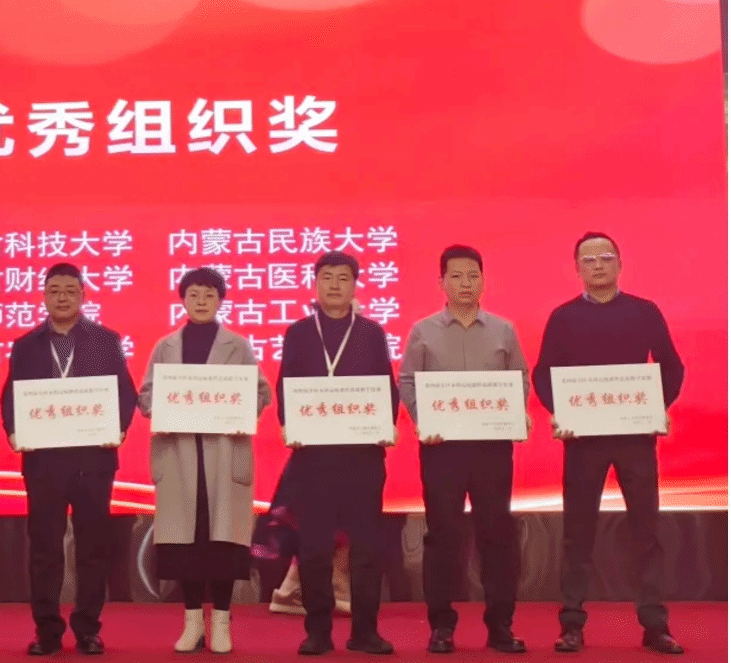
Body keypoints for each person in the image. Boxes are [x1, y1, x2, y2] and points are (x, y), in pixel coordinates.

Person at [532, 233, 685, 655]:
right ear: (577, 268)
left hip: (635, 438)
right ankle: (572, 624)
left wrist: (657, 408)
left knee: (646, 532)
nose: (597, 265)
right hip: (583, 440)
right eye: (589, 259)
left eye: (605, 257)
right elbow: (544, 373)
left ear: (619, 263)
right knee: (577, 533)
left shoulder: (644, 311)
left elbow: (672, 366)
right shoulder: (563, 317)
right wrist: (560, 413)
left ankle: (655, 624)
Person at [1, 263, 138, 656]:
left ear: (83, 295)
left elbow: (124, 393)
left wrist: (119, 428)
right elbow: (11, 396)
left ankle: (88, 628)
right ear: (44, 296)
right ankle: (46, 630)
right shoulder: (25, 345)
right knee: (44, 548)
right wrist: (14, 431)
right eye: (54, 290)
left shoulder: (105, 340)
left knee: (93, 548)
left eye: (70, 290)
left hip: (93, 461)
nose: (62, 297)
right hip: (44, 462)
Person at [400, 245, 528, 655]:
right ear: (441, 282)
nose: (465, 283)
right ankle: (441, 626)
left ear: (483, 281)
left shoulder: (503, 330)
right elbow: (408, 381)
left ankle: (501, 625)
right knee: (442, 536)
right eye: (456, 276)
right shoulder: (423, 330)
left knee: (497, 533)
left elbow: (519, 379)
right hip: (443, 450)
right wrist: (424, 421)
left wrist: (514, 416)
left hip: (492, 449)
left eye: (473, 275)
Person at [137, 267, 270, 656]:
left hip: (224, 455)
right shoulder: (165, 347)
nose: (200, 302)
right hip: (180, 456)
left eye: (209, 295)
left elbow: (261, 392)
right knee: (186, 545)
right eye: (193, 294)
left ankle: (223, 621)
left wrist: (240, 411)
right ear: (182, 299)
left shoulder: (238, 346)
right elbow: (146, 396)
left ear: (220, 301)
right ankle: (193, 622)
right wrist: (161, 409)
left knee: (223, 543)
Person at [277, 251, 396, 657]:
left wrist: (385, 425)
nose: (334, 285)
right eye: (326, 277)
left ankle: (365, 631)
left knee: (366, 549)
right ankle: (318, 632)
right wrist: (289, 425)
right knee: (314, 549)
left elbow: (386, 387)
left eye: (343, 278)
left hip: (362, 458)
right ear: (315, 284)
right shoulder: (298, 333)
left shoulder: (371, 332)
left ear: (354, 285)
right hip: (313, 459)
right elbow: (285, 386)